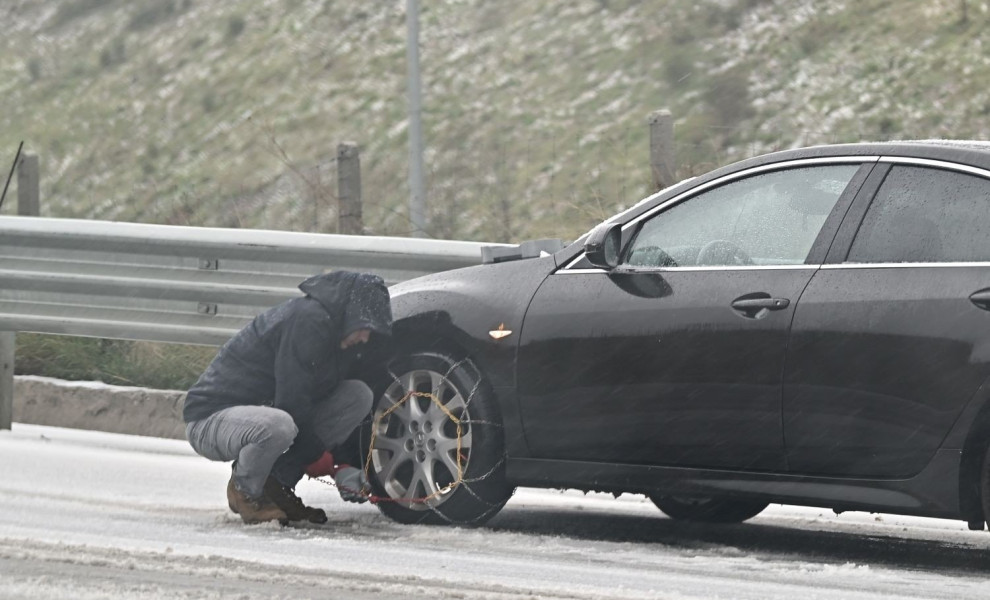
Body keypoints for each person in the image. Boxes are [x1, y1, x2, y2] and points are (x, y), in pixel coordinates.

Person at [182, 270, 392, 524]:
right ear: (350, 314)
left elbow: (316, 409)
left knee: (357, 395)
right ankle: (245, 490)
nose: (365, 337)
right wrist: (330, 467)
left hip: (263, 415)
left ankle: (275, 486)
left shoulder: (339, 338)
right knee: (279, 425)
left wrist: (344, 464)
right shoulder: (308, 321)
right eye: (365, 326)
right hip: (211, 419)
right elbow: (293, 401)